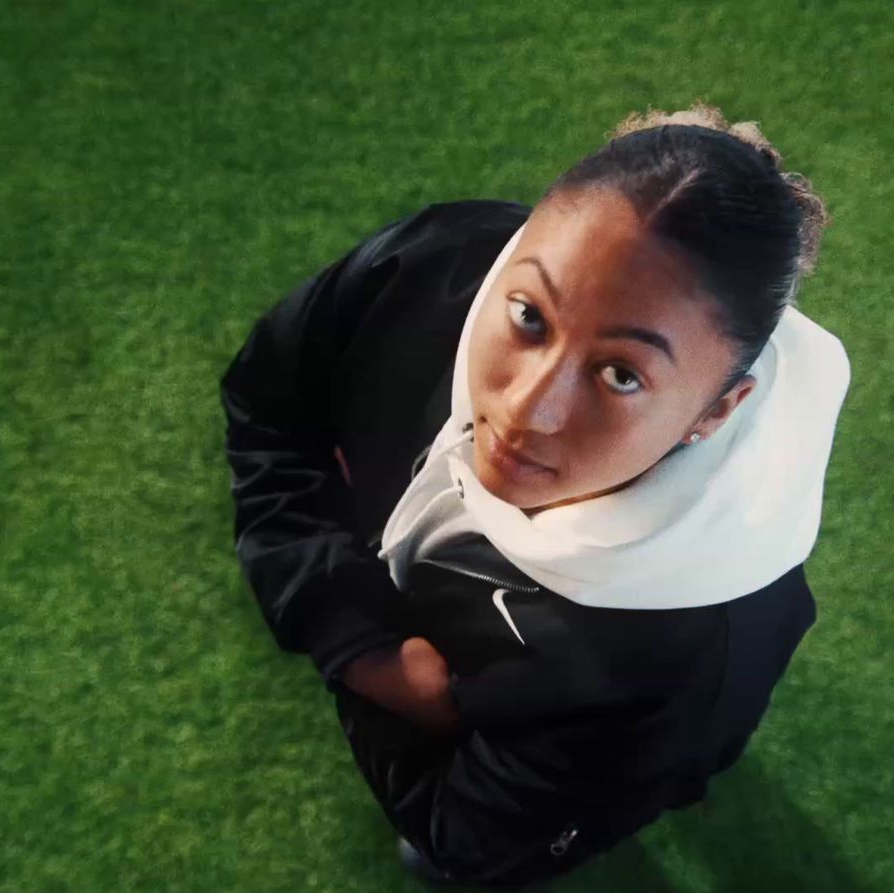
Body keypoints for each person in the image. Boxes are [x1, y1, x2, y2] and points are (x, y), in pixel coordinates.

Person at [219, 100, 850, 888]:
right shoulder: (435, 260)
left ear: (716, 410)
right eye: (528, 315)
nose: (524, 410)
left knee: (457, 857)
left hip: (606, 759)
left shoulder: (686, 663)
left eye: (621, 373)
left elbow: (460, 826)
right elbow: (265, 408)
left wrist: (353, 626)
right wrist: (368, 651)